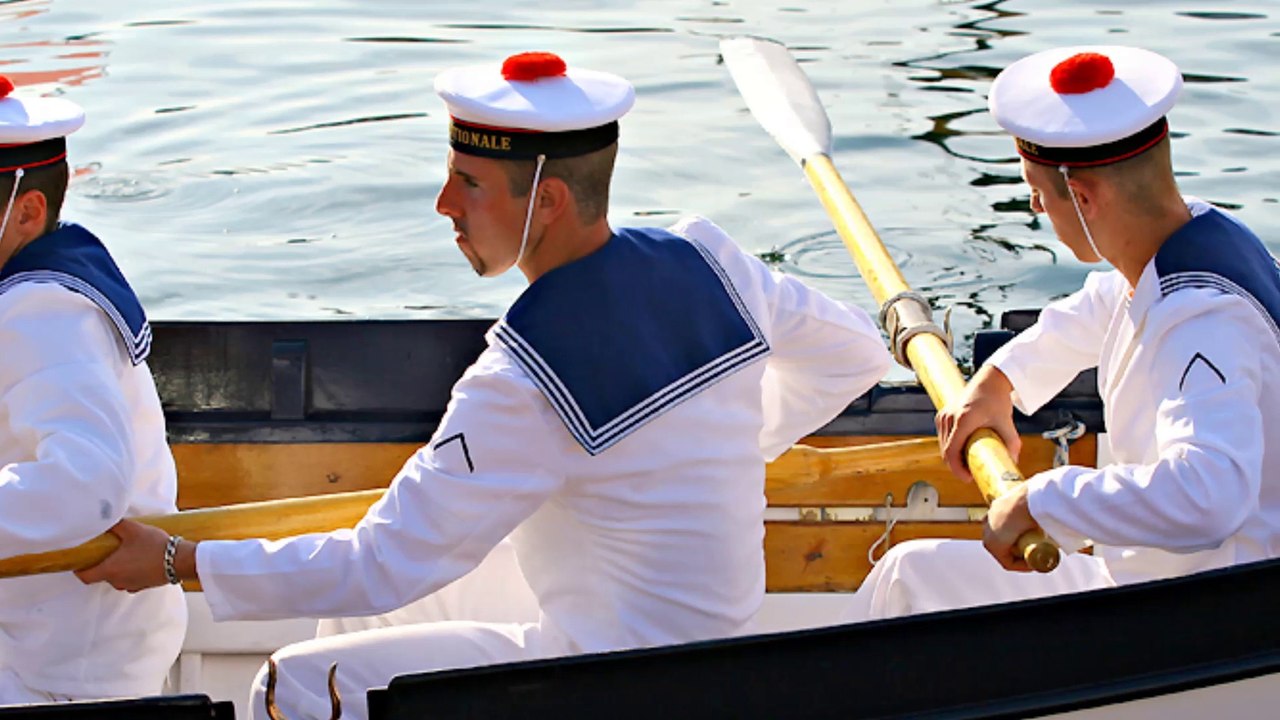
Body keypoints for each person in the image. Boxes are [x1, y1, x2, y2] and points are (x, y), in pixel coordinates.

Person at [78, 51, 893, 719]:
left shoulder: (520, 380)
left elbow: (380, 560)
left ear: (550, 202)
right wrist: (710, 450)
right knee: (373, 612)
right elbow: (855, 354)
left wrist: (177, 559)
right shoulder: (712, 261)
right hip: (715, 657)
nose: (443, 205)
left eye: (468, 183)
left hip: (613, 684)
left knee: (292, 686)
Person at [842, 45, 1280, 621]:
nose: (1034, 205)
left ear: (1082, 198)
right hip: (1172, 587)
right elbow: (1095, 308)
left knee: (910, 583)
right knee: (909, 575)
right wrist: (998, 381)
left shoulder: (1202, 320)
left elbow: (1208, 496)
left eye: (1038, 192)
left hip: (1199, 619)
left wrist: (1043, 500)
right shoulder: (1193, 235)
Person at [0, 77, 186, 702]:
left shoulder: (42, 312)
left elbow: (85, 485)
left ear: (27, 212)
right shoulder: (36, 289)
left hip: (53, 674)